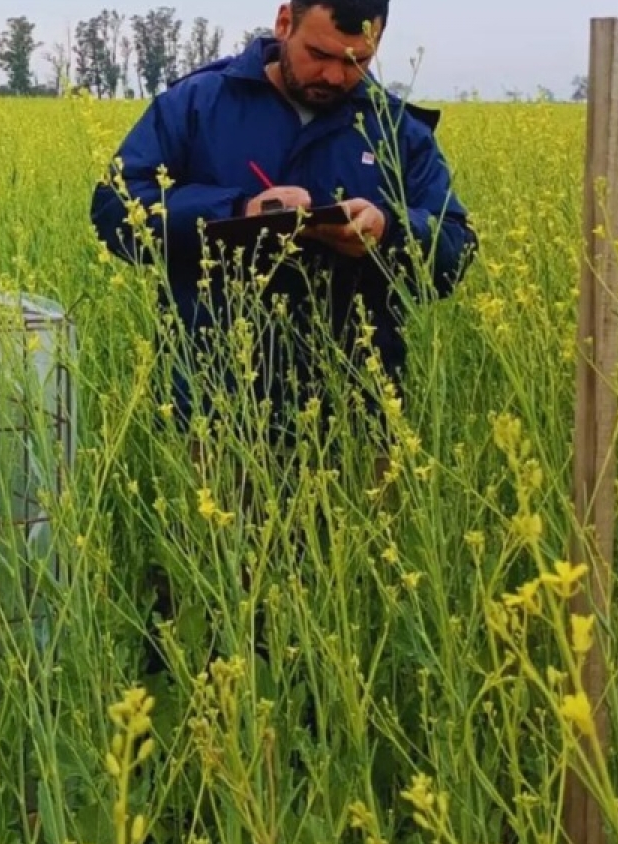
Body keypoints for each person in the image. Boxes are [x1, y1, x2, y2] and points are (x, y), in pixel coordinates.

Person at [89, 1, 477, 675]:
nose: (335, 75)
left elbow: (455, 248)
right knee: (210, 588)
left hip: (357, 403)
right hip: (218, 395)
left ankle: (320, 748)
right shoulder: (199, 103)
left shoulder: (395, 130)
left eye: (356, 61)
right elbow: (114, 212)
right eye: (319, 54)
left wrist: (388, 230)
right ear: (284, 22)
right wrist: (236, 211)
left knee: (340, 604)